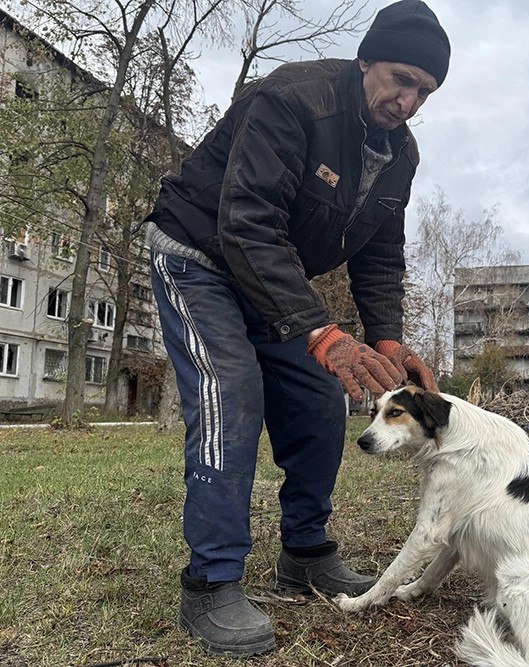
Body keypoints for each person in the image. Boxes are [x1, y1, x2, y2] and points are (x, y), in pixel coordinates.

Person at [145, 0, 448, 655]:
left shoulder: (401, 153)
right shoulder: (293, 99)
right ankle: (210, 583)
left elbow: (381, 253)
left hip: (267, 275)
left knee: (317, 398)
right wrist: (323, 332)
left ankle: (305, 552)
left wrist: (387, 338)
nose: (408, 100)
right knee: (233, 391)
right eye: (400, 78)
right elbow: (246, 221)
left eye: (424, 90)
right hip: (198, 252)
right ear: (366, 59)